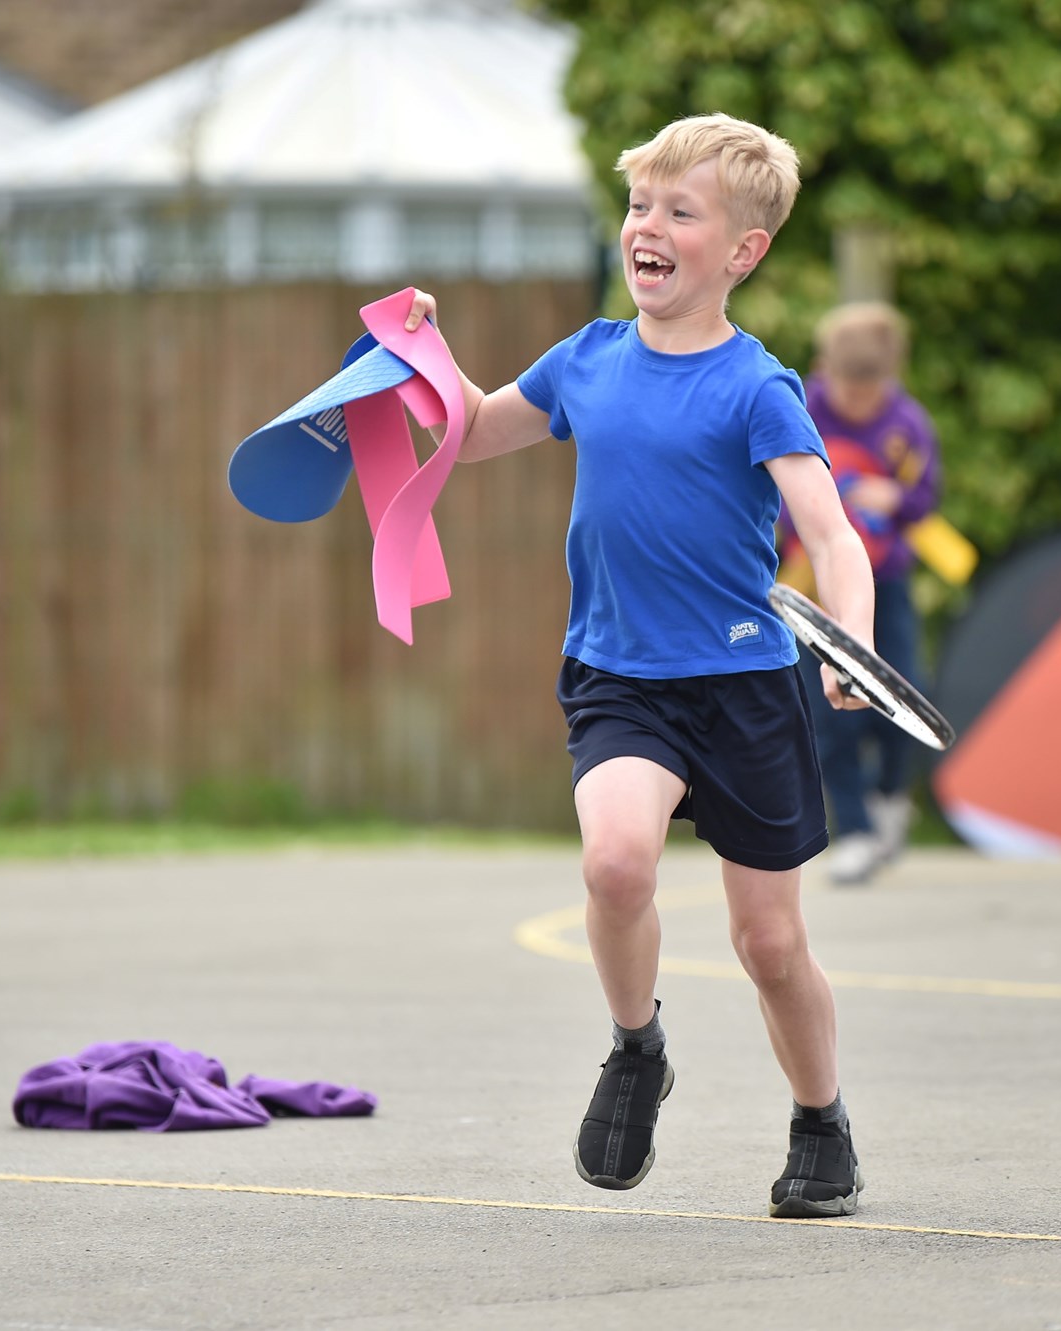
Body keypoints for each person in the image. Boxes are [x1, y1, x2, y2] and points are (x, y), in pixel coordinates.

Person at [400, 114, 877, 1218]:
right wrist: (421, 354)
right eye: (638, 207)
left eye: (679, 211)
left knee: (767, 943)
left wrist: (849, 642)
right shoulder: (587, 359)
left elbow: (834, 533)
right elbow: (470, 431)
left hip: (745, 687)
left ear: (742, 251)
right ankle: (634, 1047)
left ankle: (820, 1119)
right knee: (615, 865)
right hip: (619, 676)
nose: (646, 228)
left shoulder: (758, 386)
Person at [779, 302, 943, 886]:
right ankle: (853, 831)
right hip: (815, 592)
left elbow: (925, 496)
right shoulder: (799, 409)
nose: (859, 401)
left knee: (906, 691)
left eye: (871, 389)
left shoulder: (908, 424)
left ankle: (890, 797)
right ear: (826, 369)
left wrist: (894, 500)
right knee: (829, 715)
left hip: (886, 581)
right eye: (850, 386)